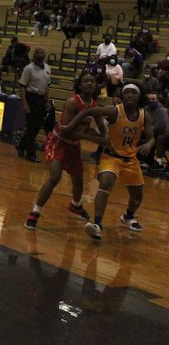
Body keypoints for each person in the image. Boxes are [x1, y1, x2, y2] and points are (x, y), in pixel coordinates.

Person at [60, 84, 154, 240]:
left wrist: (149, 143)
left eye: (133, 93)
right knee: (105, 183)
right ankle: (97, 224)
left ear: (139, 97)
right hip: (111, 157)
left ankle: (128, 216)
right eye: (126, 93)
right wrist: (70, 125)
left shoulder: (145, 115)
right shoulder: (115, 111)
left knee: (137, 196)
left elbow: (151, 136)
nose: (129, 95)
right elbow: (89, 111)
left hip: (131, 160)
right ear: (122, 97)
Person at [25, 72, 106, 230]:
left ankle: (76, 205)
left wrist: (106, 137)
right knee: (55, 177)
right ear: (80, 85)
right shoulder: (72, 102)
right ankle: (35, 212)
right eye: (86, 81)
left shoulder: (94, 106)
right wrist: (96, 140)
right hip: (58, 141)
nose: (89, 83)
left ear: (96, 85)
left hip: (74, 145)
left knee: (78, 180)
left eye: (92, 81)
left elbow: (101, 126)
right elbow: (66, 131)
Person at [17, 47, 52, 162]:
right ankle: (31, 154)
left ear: (45, 54)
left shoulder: (48, 68)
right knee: (31, 127)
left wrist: (47, 101)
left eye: (42, 52)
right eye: (38, 52)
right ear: (34, 54)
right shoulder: (28, 68)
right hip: (31, 98)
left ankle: (21, 145)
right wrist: (25, 103)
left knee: (37, 126)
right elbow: (22, 86)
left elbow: (47, 86)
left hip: (41, 100)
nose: (40, 54)